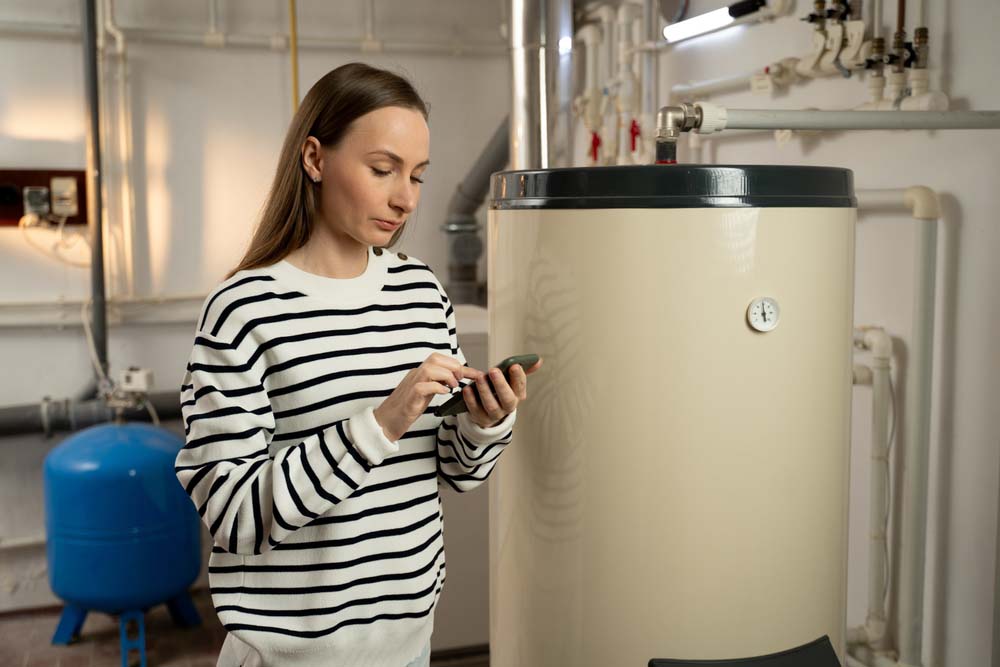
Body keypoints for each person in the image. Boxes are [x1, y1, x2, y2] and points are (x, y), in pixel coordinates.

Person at [175, 62, 542, 667]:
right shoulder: (244, 308)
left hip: (407, 644)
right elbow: (234, 514)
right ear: (315, 158)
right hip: (286, 653)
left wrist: (484, 423)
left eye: (418, 177)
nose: (405, 198)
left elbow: (452, 471)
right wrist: (380, 424)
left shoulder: (421, 293)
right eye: (382, 169)